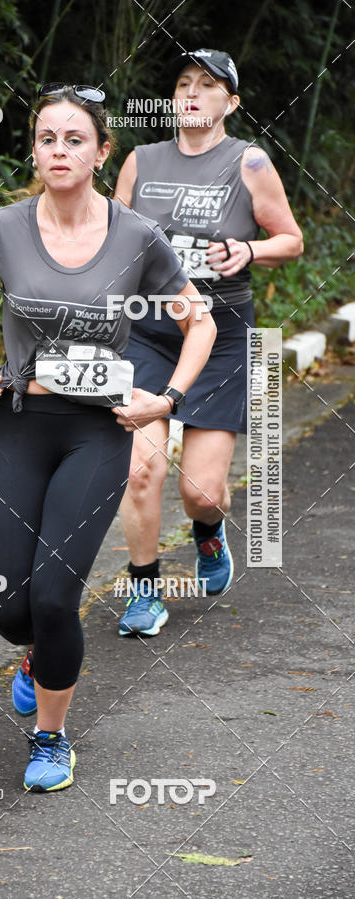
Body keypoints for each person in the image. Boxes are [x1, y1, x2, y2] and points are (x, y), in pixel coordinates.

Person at [0, 83, 216, 791]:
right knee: (10, 607)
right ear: (34, 149)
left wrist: (167, 400)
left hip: (98, 432)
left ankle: (51, 737)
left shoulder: (134, 237)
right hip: (22, 423)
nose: (59, 150)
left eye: (75, 139)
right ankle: (33, 654)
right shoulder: (4, 227)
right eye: (48, 138)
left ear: (101, 151)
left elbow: (199, 321)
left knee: (56, 597)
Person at [114, 49, 303, 637]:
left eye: (208, 84)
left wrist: (249, 250)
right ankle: (145, 589)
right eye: (183, 83)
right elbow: (112, 245)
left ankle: (208, 533)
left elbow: (291, 240)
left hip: (219, 339)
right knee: (142, 469)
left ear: (232, 102)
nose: (192, 92)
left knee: (202, 490)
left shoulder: (248, 163)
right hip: (148, 334)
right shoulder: (139, 162)